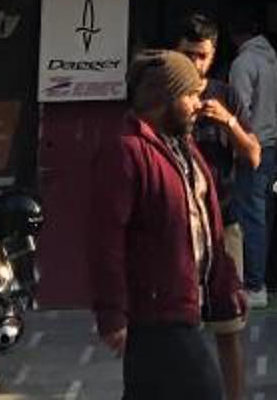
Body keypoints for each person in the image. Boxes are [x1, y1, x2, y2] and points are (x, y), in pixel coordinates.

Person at [93, 50, 241, 400]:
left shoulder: (183, 147)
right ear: (165, 97)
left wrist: (224, 288)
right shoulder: (126, 151)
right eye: (190, 95)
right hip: (156, 313)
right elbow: (105, 240)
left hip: (184, 305)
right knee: (205, 391)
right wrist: (112, 313)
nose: (198, 104)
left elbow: (206, 225)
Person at [175, 16, 261, 400]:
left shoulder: (225, 95)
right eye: (188, 54)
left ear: (213, 56)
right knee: (179, 329)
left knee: (229, 326)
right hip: (175, 229)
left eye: (202, 56)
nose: (195, 63)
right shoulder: (163, 97)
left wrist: (228, 122)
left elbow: (254, 157)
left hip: (222, 224)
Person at [223, 18, 277, 289]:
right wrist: (274, 133)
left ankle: (253, 283)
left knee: (248, 217)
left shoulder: (242, 63)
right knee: (262, 216)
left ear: (232, 34)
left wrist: (242, 143)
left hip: (249, 148)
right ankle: (259, 277)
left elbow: (240, 110)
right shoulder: (272, 61)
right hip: (271, 146)